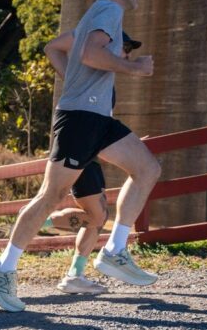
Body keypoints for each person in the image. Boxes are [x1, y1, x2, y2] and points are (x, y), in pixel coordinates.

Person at [0, 0, 161, 312]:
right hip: (80, 118)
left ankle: (115, 250)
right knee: (51, 195)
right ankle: (3, 268)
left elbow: (72, 51)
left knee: (148, 168)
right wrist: (133, 68)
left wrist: (75, 82)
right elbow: (92, 53)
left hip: (97, 117)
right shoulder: (108, 9)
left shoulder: (98, 13)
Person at [43, 32, 143, 294]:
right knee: (96, 215)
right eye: (125, 48)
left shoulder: (105, 83)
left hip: (91, 153)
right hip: (79, 148)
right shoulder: (86, 76)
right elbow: (52, 47)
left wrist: (128, 146)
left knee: (98, 216)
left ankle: (71, 269)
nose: (128, 55)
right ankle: (38, 221)